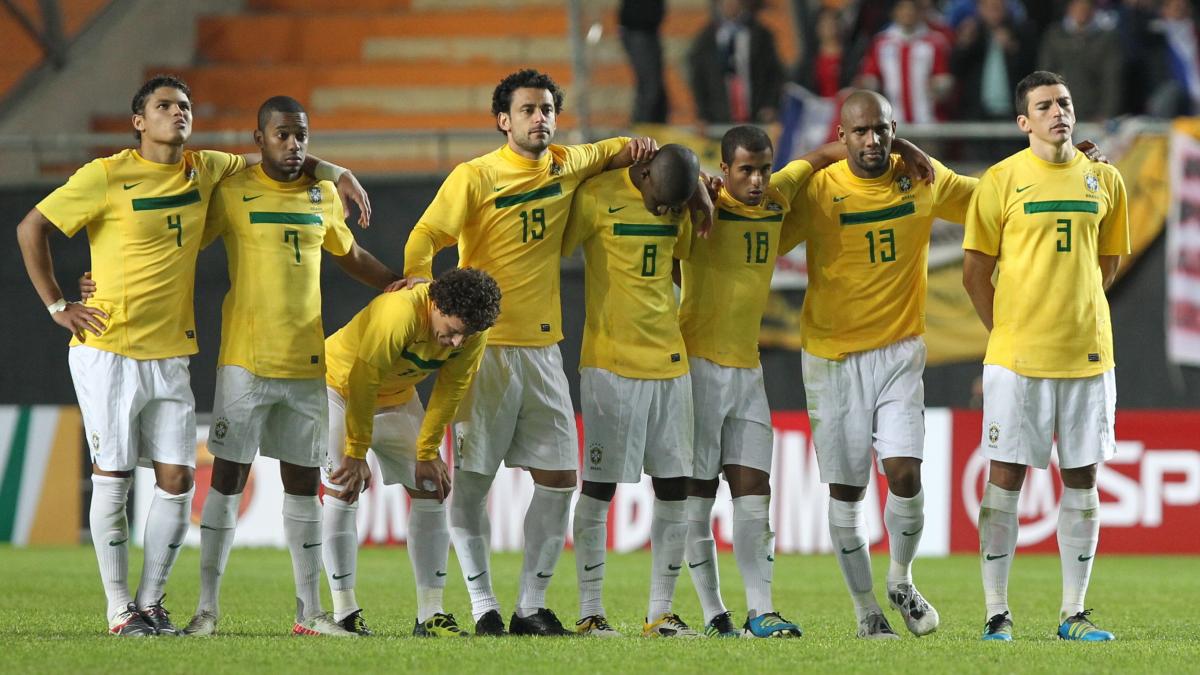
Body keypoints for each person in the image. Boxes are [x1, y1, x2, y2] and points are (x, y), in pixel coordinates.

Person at [15, 74, 367, 637]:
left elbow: (284, 151)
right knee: (113, 477)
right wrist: (58, 303)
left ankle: (151, 601)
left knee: (178, 480)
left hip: (171, 354)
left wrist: (335, 171)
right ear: (139, 122)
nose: (177, 113)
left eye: (184, 106)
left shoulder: (209, 169)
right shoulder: (104, 175)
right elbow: (31, 227)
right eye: (163, 106)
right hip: (107, 349)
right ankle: (117, 608)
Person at [400, 68, 660, 637]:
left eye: (547, 109)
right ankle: (481, 605)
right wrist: (421, 287)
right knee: (471, 484)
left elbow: (618, 148)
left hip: (543, 351)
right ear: (503, 120)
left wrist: (645, 150)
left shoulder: (568, 164)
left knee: (560, 478)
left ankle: (530, 606)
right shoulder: (475, 176)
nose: (539, 118)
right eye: (527, 110)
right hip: (483, 353)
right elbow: (425, 236)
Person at [679, 124, 934, 638]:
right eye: (744, 170)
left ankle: (760, 611)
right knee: (699, 495)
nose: (755, 180)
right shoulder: (701, 208)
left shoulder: (777, 198)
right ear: (723, 169)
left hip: (747, 369)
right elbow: (656, 188)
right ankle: (713, 613)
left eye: (763, 169)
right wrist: (691, 186)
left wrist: (901, 146)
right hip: (696, 369)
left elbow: (822, 154)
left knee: (754, 491)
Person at [176, 96, 397, 638]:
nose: (294, 144)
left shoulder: (321, 195)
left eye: (301, 135)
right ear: (259, 138)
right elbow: (177, 249)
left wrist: (398, 283)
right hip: (245, 363)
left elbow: (350, 256)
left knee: (303, 485)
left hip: (306, 367)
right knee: (226, 481)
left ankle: (309, 611)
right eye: (282, 135)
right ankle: (206, 609)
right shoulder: (231, 191)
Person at [787, 89, 977, 639]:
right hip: (833, 358)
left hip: (899, 350)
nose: (873, 141)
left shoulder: (919, 176)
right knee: (847, 493)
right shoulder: (820, 192)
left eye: (883, 129)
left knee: (906, 474)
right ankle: (866, 610)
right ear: (841, 136)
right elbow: (764, 231)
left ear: (896, 129)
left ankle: (901, 578)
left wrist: (1065, 168)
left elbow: (988, 199)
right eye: (861, 132)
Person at [962, 70, 1129, 642]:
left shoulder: (1105, 179)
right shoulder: (1000, 180)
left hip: (1087, 355)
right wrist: (1006, 331)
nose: (1058, 111)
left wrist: (1077, 309)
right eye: (1044, 105)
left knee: (1082, 480)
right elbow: (975, 271)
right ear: (1022, 121)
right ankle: (995, 614)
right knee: (1005, 480)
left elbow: (1108, 263)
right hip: (1016, 359)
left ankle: (1073, 613)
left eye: (1064, 101)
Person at [564, 144, 700, 639]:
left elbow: (680, 261)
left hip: (670, 362)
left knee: (674, 488)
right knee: (599, 488)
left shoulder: (680, 201)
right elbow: (555, 248)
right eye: (658, 200)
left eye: (673, 206)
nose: (664, 212)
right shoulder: (596, 196)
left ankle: (660, 613)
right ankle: (590, 612)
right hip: (610, 366)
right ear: (641, 173)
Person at [321, 268, 500, 638]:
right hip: (337, 387)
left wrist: (428, 451)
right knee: (343, 485)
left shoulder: (472, 334)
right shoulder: (399, 313)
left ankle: (431, 615)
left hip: (397, 398)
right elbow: (363, 378)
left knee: (432, 487)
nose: (455, 343)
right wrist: (355, 453)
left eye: (465, 335)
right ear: (436, 304)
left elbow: (450, 391)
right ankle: (344, 612)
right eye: (451, 330)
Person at [687, 0, 784, 127]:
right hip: (719, 119)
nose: (730, 4)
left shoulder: (761, 35)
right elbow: (699, 79)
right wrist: (703, 114)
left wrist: (770, 104)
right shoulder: (706, 38)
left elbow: (774, 74)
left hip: (756, 117)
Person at [857, 0, 954, 124]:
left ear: (920, 12)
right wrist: (867, 85)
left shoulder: (936, 42)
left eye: (912, 9)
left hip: (929, 122)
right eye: (903, 8)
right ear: (894, 12)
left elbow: (944, 78)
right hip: (892, 123)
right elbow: (870, 76)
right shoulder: (881, 42)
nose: (908, 13)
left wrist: (941, 87)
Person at [1036, 0, 1122, 122]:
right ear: (1069, 8)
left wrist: (1106, 113)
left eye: (1086, 7)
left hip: (1094, 116)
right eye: (1078, 7)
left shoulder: (1106, 40)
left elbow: (1111, 80)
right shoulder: (1054, 36)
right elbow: (1045, 75)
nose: (1082, 11)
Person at [619, 0, 669, 124]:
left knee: (656, 90)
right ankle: (640, 132)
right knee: (650, 88)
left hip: (648, 30)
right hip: (638, 28)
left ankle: (651, 128)